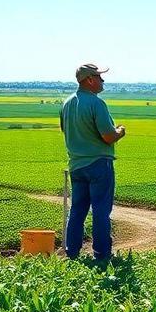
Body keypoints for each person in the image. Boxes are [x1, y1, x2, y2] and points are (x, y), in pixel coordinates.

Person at [60, 63, 126, 264]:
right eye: (99, 77)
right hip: (98, 164)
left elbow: (65, 130)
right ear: (89, 79)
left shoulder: (67, 103)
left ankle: (72, 253)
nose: (102, 81)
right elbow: (108, 136)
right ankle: (102, 255)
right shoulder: (97, 104)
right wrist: (120, 131)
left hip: (76, 165)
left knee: (77, 210)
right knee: (101, 211)